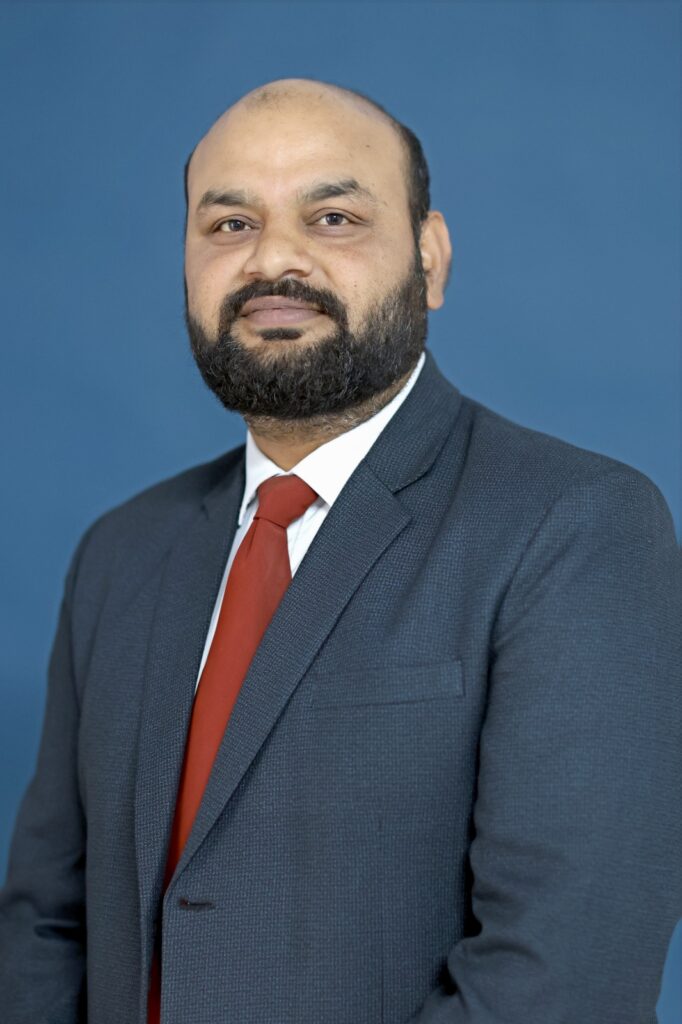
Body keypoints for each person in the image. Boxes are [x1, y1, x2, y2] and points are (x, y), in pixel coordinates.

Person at [0, 76, 679, 1024]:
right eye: (228, 225)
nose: (274, 258)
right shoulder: (121, 551)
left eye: (333, 217)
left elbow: (563, 980)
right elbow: (44, 926)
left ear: (430, 260)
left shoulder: (575, 525)